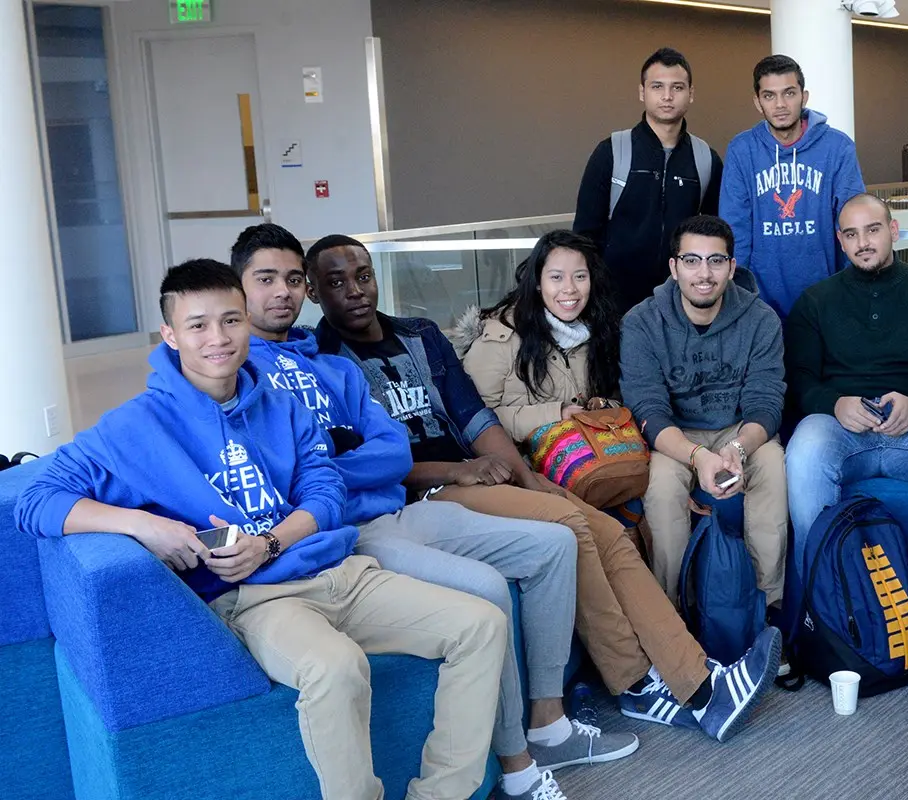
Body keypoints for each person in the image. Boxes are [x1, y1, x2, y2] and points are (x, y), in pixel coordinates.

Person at [15, 260, 509, 800]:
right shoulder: (134, 426)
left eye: (230, 320)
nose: (218, 338)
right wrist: (144, 525)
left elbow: (325, 493)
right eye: (198, 325)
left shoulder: (284, 406)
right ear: (170, 334)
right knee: (335, 668)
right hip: (255, 599)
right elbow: (36, 499)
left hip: (341, 572)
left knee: (481, 624)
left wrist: (270, 541)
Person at [307, 233, 779, 745]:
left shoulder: (419, 334)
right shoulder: (324, 362)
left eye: (363, 276)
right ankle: (646, 684)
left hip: (490, 471)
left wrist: (532, 484)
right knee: (572, 528)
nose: (354, 291)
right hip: (426, 494)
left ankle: (696, 672)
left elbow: (474, 416)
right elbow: (359, 464)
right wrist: (460, 471)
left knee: (609, 532)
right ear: (315, 292)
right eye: (335, 282)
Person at [230, 224, 633, 800]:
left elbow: (393, 449)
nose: (282, 292)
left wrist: (332, 465)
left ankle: (550, 723)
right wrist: (329, 469)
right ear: (239, 288)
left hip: (397, 507)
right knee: (488, 590)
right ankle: (517, 765)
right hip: (350, 533)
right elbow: (292, 472)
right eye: (265, 280)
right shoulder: (244, 369)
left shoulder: (329, 365)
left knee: (553, 544)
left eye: (291, 279)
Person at [459, 228, 782, 735]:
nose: (569, 289)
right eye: (557, 277)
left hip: (591, 467)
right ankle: (667, 685)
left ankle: (683, 668)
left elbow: (629, 411)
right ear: (534, 282)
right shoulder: (501, 337)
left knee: (638, 518)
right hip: (525, 469)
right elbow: (474, 418)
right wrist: (554, 415)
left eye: (580, 276)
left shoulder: (601, 331)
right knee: (591, 538)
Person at [784, 194, 908, 672]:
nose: (862, 242)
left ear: (893, 231)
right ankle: (824, 599)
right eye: (850, 234)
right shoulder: (816, 300)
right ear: (839, 241)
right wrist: (834, 404)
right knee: (805, 448)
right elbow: (800, 379)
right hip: (841, 428)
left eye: (872, 230)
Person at [620, 214, 788, 610]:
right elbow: (649, 410)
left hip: (739, 429)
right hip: (676, 436)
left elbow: (766, 403)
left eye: (716, 261)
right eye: (692, 260)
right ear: (674, 267)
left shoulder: (761, 319)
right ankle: (672, 614)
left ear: (732, 267)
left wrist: (739, 449)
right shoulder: (641, 323)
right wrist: (698, 458)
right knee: (660, 484)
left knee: (774, 463)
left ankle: (767, 610)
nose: (704, 273)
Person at [574, 47, 724, 313]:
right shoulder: (611, 151)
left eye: (677, 87)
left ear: (691, 93)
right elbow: (584, 235)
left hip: (681, 305)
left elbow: (715, 235)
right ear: (642, 92)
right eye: (657, 86)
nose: (667, 96)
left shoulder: (706, 159)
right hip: (614, 304)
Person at [719, 54, 866, 319]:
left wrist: (854, 288)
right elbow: (734, 228)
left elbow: (852, 221)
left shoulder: (837, 147)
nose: (780, 105)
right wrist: (737, 298)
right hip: (760, 304)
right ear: (757, 101)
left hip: (827, 298)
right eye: (769, 96)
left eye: (789, 93)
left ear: (804, 96)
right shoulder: (742, 150)